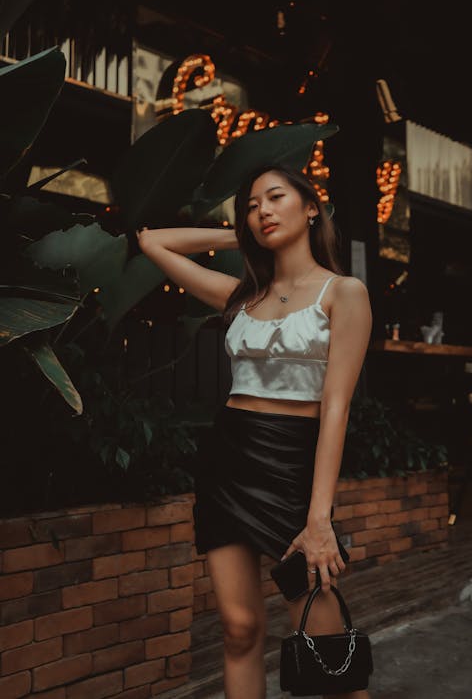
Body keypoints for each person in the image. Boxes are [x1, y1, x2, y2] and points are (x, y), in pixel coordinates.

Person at [136, 163, 373, 699]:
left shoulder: (344, 292)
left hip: (293, 465)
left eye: (275, 197)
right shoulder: (240, 297)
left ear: (312, 207)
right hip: (228, 461)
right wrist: (240, 235)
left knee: (324, 636)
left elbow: (335, 409)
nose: (262, 210)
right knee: (239, 630)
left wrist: (319, 520)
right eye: (251, 205)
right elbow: (154, 243)